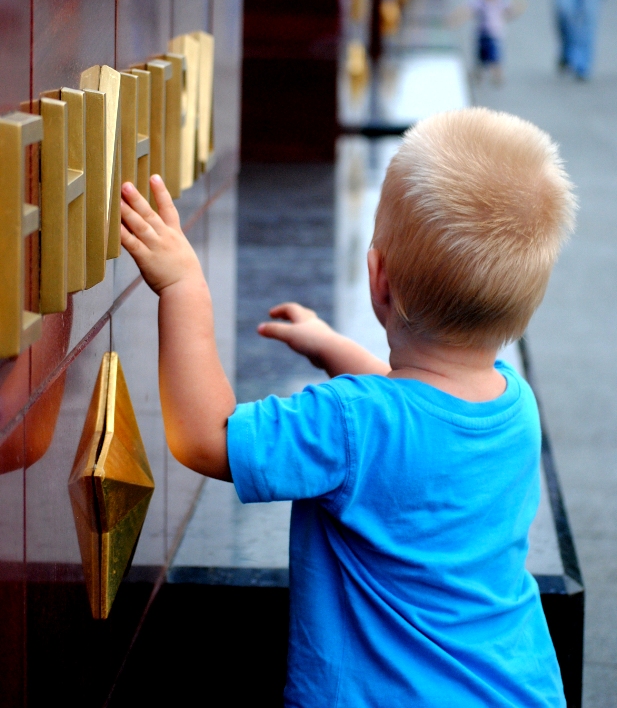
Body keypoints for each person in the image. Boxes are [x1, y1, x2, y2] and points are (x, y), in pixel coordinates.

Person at [119, 107, 576, 707]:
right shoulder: (515, 408)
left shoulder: (347, 424)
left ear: (378, 279)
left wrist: (182, 288)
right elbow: (415, 411)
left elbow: (207, 437)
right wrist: (335, 347)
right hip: (514, 688)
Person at [450, 0, 525, 84]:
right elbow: (468, 10)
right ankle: (478, 71)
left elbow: (509, 12)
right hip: (482, 33)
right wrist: (455, 18)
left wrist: (517, 9)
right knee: (480, 55)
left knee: (495, 55)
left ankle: (497, 73)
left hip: (495, 33)